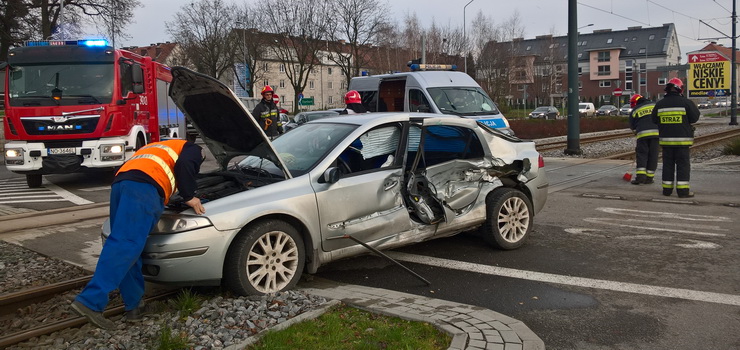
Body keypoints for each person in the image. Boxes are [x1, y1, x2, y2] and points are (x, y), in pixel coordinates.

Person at [71, 139, 206, 330]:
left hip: (122, 184)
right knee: (126, 244)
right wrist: (189, 196)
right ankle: (90, 301)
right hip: (144, 188)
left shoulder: (159, 146)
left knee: (129, 247)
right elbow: (185, 166)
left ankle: (134, 307)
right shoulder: (195, 149)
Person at [650, 77, 700, 198]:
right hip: (682, 142)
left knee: (668, 165)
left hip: (666, 142)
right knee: (683, 165)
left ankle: (667, 190)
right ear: (680, 89)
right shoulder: (686, 103)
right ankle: (683, 192)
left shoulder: (659, 104)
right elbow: (694, 118)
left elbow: (654, 120)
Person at [628, 94, 658, 185]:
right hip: (656, 134)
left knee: (642, 155)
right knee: (653, 156)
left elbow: (632, 126)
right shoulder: (654, 105)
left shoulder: (635, 110)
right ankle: (649, 178)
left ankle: (640, 178)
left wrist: (636, 132)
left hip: (642, 135)